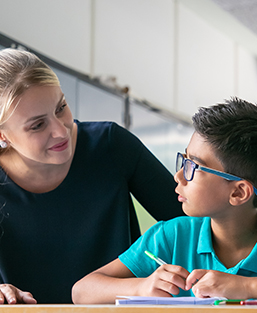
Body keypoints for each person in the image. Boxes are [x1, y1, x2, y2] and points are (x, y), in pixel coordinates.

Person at [0, 48, 184, 304]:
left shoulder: (111, 145)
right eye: (38, 125)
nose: (60, 130)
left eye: (61, 107)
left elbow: (195, 223)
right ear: (2, 136)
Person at [71, 97, 257, 304]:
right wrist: (141, 287)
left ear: (238, 193)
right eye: (184, 159)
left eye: (193, 167)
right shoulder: (170, 237)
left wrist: (246, 287)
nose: (178, 176)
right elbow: (81, 291)